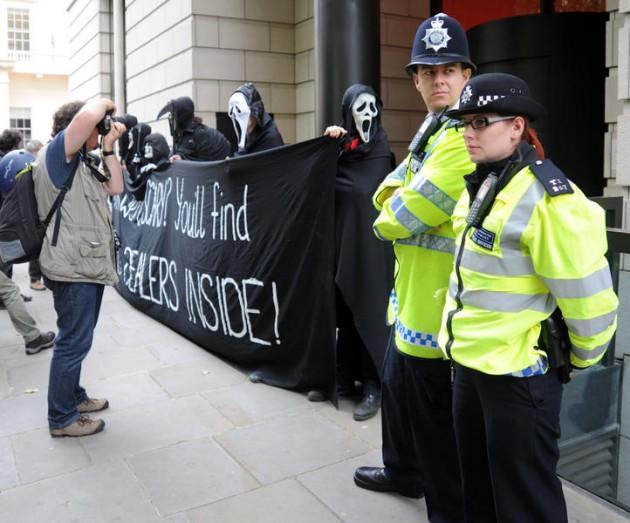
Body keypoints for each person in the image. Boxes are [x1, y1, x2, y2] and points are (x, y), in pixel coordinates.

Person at [439, 72, 618, 523]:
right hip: (471, 368)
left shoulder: (548, 199)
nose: (469, 133)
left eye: (481, 122)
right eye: (464, 123)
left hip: (519, 379)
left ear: (517, 127)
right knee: (478, 495)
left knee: (526, 505)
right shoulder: (483, 183)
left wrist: (578, 360)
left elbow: (590, 299)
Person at [353, 13, 474, 521]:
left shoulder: (463, 134)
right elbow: (389, 187)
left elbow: (398, 214)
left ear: (466, 75)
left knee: (436, 430)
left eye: (448, 70)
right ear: (416, 80)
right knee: (399, 397)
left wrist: (391, 205)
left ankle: (446, 510)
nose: (438, 79)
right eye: (428, 71)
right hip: (410, 299)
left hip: (438, 307)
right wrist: (394, 197)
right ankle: (402, 471)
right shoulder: (433, 128)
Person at [33, 99, 126, 438]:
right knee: (72, 343)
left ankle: (73, 397)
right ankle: (61, 418)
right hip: (71, 268)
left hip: (86, 264)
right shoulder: (58, 154)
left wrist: (109, 146)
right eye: (99, 127)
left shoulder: (82, 161)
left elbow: (116, 187)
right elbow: (88, 114)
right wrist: (107, 105)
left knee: (78, 339)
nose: (100, 130)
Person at [312, 84, 394, 421]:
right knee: (344, 311)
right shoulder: (343, 150)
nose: (369, 114)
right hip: (341, 244)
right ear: (348, 113)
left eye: (373, 107)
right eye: (361, 108)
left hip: (372, 250)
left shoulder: (380, 152)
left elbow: (376, 197)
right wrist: (328, 147)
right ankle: (344, 377)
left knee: (368, 311)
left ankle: (374, 385)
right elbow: (318, 184)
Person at [157, 96, 230, 161]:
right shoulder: (182, 135)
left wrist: (183, 159)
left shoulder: (202, 134)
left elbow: (208, 163)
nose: (172, 117)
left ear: (182, 114)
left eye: (174, 114)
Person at [228, 83, 284, 156]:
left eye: (242, 114)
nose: (239, 120)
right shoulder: (249, 134)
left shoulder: (270, 138)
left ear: (254, 111)